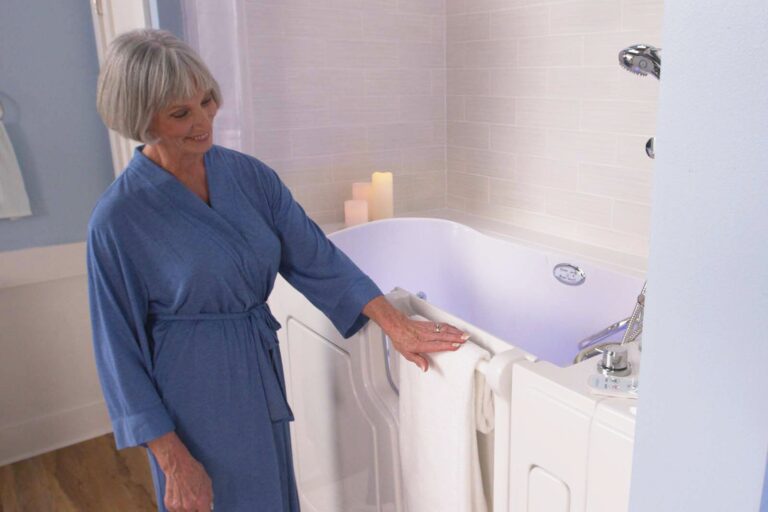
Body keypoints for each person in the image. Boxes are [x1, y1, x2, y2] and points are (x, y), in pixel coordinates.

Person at [86, 28, 468, 512]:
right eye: (181, 113)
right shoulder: (119, 218)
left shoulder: (248, 176)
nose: (204, 121)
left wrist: (396, 325)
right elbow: (117, 350)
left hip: (256, 365)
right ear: (141, 120)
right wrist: (172, 458)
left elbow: (316, 257)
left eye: (207, 100)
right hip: (191, 388)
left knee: (269, 494)